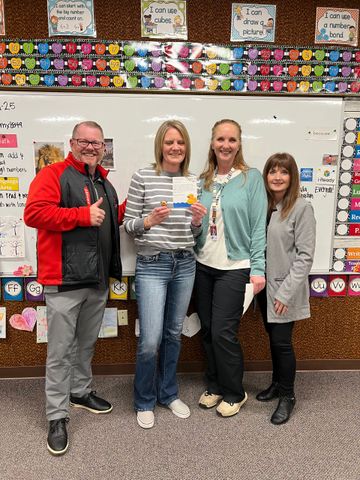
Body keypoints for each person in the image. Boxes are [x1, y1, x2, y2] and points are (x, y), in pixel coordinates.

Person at [24, 121, 125, 455]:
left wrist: (138, 213)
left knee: (85, 345)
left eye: (97, 143)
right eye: (84, 141)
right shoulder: (52, 174)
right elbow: (34, 213)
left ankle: (80, 393)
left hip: (96, 281)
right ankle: (56, 415)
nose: (91, 147)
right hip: (64, 281)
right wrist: (81, 216)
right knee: (60, 352)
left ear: (103, 148)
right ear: (72, 143)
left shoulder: (104, 184)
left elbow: (110, 218)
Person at [124, 120, 206, 429]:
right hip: (152, 265)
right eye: (169, 142)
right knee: (150, 339)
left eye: (180, 143)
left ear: (186, 147)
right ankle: (144, 400)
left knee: (174, 334)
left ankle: (168, 393)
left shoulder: (192, 180)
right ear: (160, 145)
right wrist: (149, 220)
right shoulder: (143, 176)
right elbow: (128, 225)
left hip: (185, 263)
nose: (175, 148)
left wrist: (198, 221)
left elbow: (195, 233)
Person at [194, 119, 267, 417]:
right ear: (212, 143)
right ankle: (214, 385)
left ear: (239, 144)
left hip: (235, 267)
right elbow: (197, 226)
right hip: (203, 265)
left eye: (232, 140)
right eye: (220, 139)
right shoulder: (202, 180)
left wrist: (258, 268)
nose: (226, 145)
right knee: (208, 329)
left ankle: (235, 391)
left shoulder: (251, 178)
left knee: (224, 331)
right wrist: (193, 223)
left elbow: (258, 227)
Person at [256, 153, 316, 425]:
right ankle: (277, 384)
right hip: (264, 288)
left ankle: (288, 396)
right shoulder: (266, 206)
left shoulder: (301, 208)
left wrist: (284, 293)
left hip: (284, 290)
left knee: (282, 344)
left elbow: (305, 256)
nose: (277, 177)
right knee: (273, 338)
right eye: (272, 171)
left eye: (283, 172)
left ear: (292, 178)